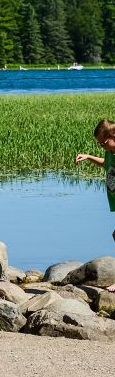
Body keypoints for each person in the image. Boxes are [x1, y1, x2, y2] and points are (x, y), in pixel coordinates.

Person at [75, 119, 115, 292]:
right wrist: (89, 157)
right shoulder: (110, 153)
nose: (102, 146)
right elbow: (106, 164)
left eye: (103, 143)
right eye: (99, 144)